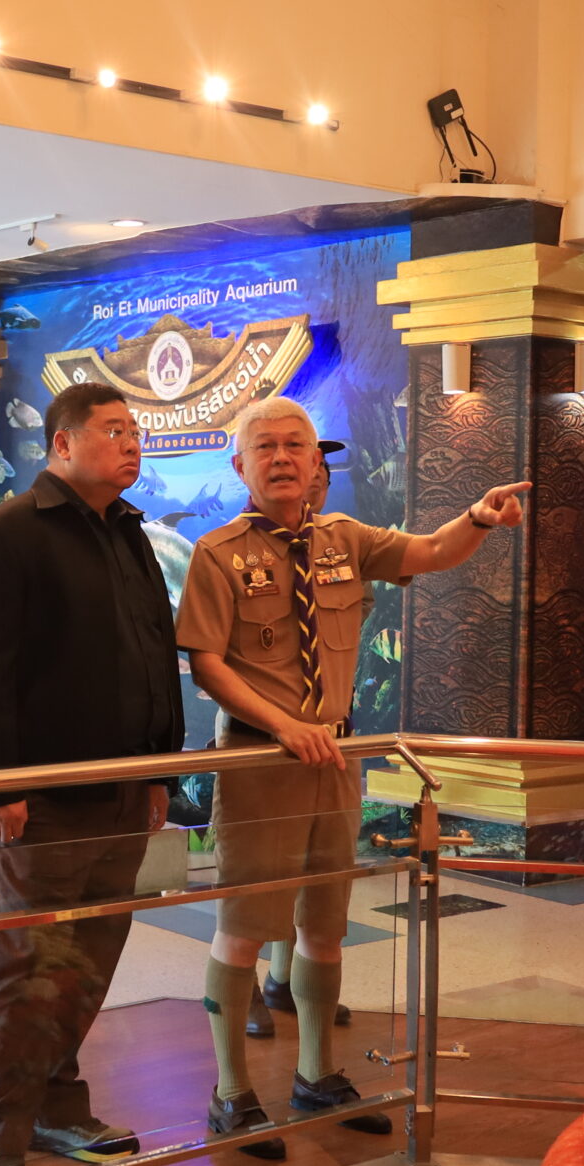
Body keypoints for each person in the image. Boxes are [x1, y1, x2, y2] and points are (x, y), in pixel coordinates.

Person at [176, 396, 527, 1156]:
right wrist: (283, 725)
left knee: (325, 927)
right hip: (259, 761)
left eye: (294, 445)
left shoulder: (345, 539)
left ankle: (317, 1075)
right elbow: (206, 663)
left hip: (335, 761)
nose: (281, 458)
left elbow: (430, 552)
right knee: (243, 928)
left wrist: (478, 517)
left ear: (315, 461)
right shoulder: (217, 553)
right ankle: (231, 1093)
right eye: (264, 447)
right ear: (240, 464)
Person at [0, 382, 182, 1166]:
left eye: (135, 430)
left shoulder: (129, 531)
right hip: (43, 801)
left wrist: (158, 769)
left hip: (126, 789)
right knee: (31, 964)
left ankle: (54, 1106)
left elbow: (153, 649)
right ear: (61, 444)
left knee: (85, 962)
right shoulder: (6, 533)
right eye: (113, 430)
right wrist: (0, 787)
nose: (131, 442)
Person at [251, 439, 353, 1040]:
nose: (313, 481)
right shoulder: (238, 551)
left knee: (317, 882)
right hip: (266, 738)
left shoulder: (339, 547)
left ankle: (286, 979)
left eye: (320, 471)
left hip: (328, 733)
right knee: (256, 881)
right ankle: (250, 984)